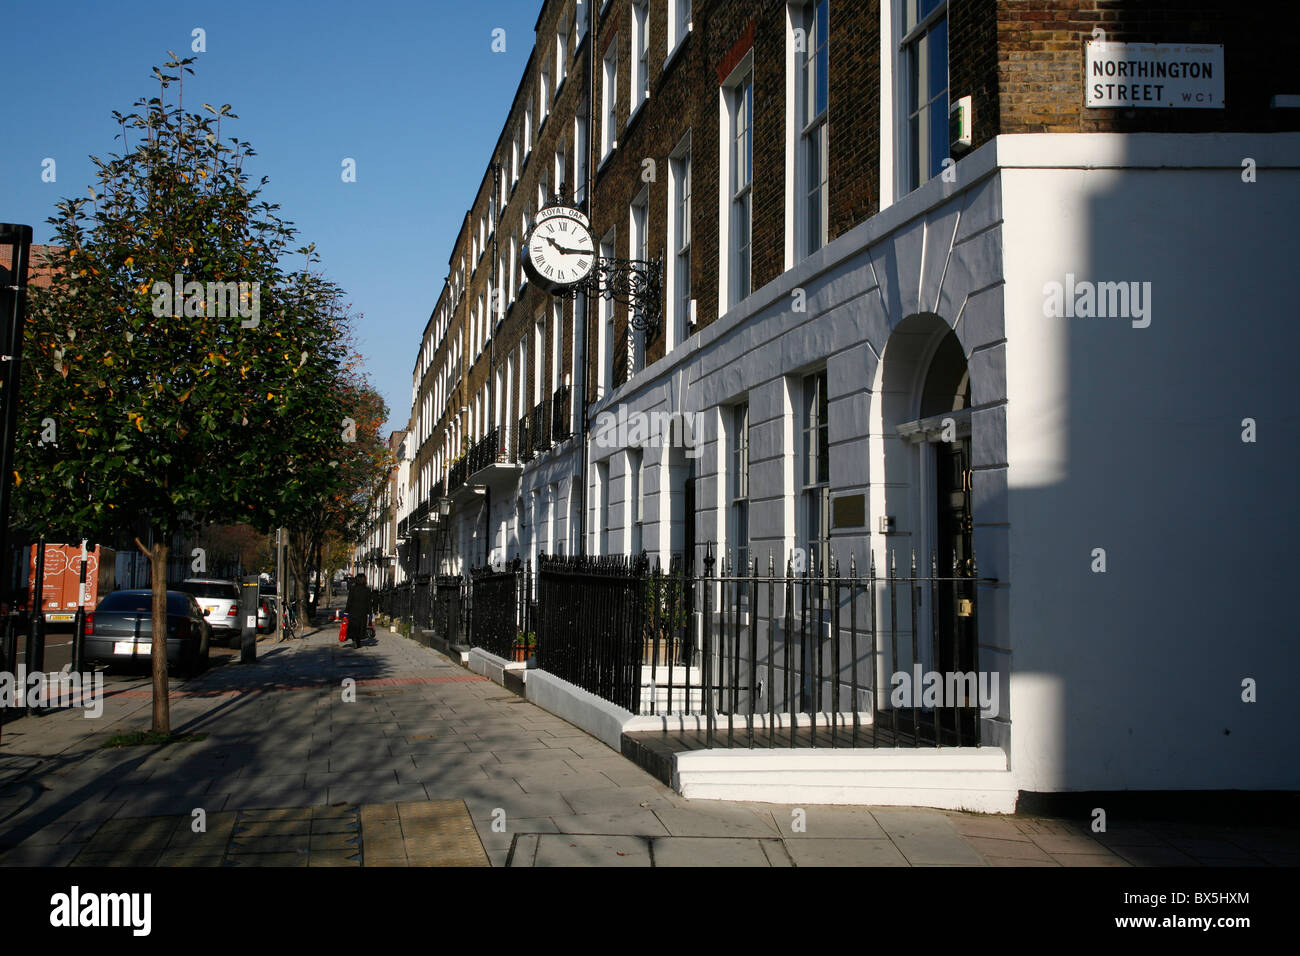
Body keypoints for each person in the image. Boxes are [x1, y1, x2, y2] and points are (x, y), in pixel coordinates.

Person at [344, 574, 371, 648]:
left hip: (353, 611)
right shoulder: (367, 590)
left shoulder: (353, 589)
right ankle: (358, 641)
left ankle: (354, 640)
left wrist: (346, 611)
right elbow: (369, 602)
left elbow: (349, 601)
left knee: (353, 627)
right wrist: (370, 613)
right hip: (363, 612)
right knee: (361, 627)